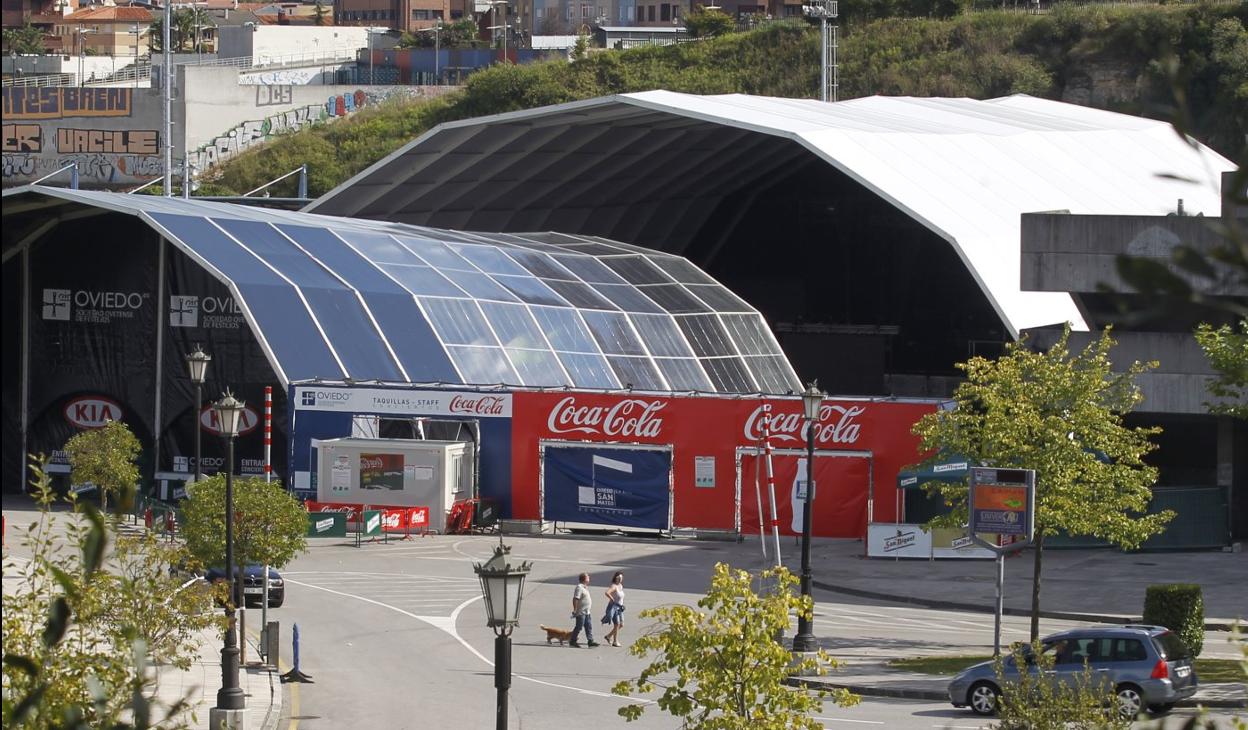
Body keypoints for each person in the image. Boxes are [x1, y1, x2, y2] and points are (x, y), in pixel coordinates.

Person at [569, 572, 598, 648]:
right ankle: (573, 640)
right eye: (588, 577)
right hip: (581, 612)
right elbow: (575, 598)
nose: (589, 578)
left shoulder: (585, 587)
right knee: (579, 626)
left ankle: (590, 641)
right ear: (584, 579)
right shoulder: (579, 587)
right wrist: (575, 609)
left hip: (587, 611)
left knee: (588, 626)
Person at [602, 571, 625, 647]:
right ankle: (615, 641)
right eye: (619, 578)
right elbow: (607, 592)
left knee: (621, 624)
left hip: (620, 608)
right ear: (615, 578)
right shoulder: (614, 586)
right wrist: (612, 598)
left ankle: (608, 636)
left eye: (621, 578)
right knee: (617, 624)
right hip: (614, 607)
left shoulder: (620, 586)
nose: (620, 579)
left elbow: (620, 597)